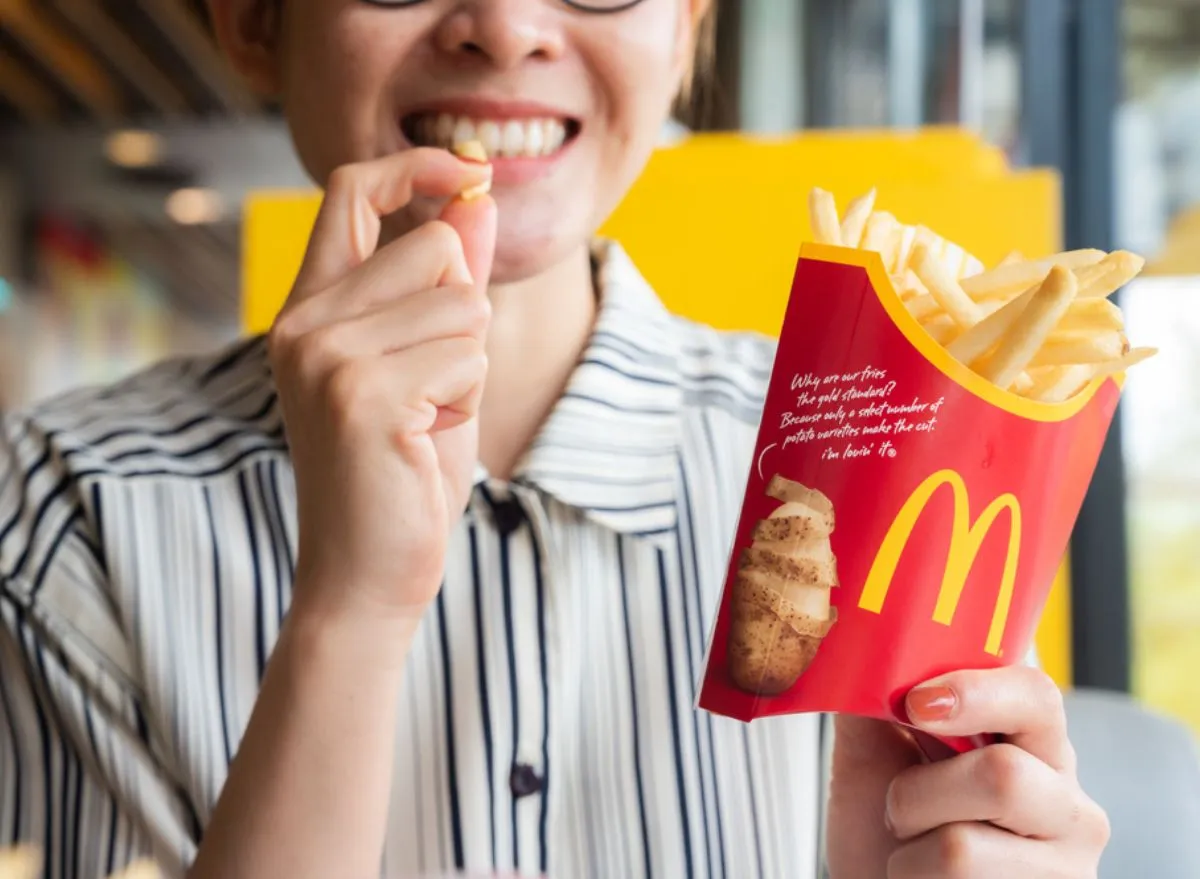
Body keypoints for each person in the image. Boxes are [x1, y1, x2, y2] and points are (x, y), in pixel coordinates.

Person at [0, 1, 1111, 877]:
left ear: (685, 26)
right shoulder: (66, 511)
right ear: (253, 18)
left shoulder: (873, 458)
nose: (506, 22)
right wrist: (346, 611)